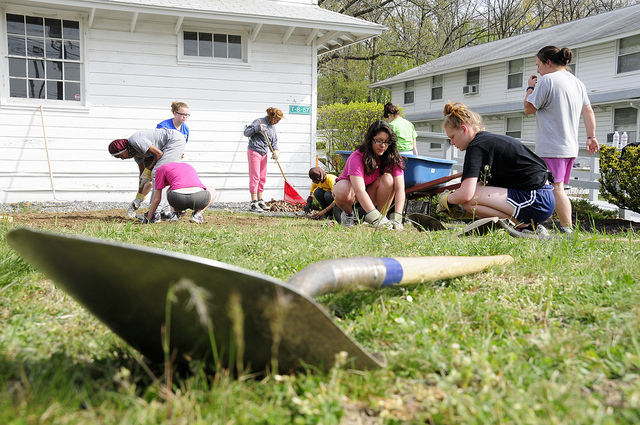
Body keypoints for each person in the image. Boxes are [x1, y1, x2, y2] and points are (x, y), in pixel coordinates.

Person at [439, 101, 556, 234]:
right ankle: (520, 225)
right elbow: (479, 186)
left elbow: (466, 194)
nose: (452, 142)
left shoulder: (476, 146)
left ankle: (526, 227)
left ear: (464, 129)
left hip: (535, 198)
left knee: (471, 200)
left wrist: (446, 199)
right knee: (476, 195)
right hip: (542, 197)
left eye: (452, 137)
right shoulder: (486, 141)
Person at [524, 45, 599, 234]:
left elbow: (528, 108)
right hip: (569, 147)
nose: (538, 70)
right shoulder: (577, 83)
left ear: (548, 63)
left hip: (552, 147)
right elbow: (588, 111)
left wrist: (530, 87)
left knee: (554, 189)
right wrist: (591, 137)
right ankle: (543, 226)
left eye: (538, 65)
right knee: (554, 188)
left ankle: (566, 229)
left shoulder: (547, 81)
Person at [332, 120, 406, 229]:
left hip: (370, 194)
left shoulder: (393, 158)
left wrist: (397, 219)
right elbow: (359, 190)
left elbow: (400, 189)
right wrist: (374, 216)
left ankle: (382, 218)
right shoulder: (357, 157)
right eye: (379, 141)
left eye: (386, 142)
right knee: (343, 189)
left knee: (388, 179)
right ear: (370, 140)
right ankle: (349, 215)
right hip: (352, 197)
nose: (383, 146)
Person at [108, 128, 186, 220]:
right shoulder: (137, 155)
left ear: (124, 149)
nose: (122, 159)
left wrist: (149, 170)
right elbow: (142, 176)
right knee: (161, 177)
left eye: (120, 156)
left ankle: (154, 213)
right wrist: (138, 197)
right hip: (170, 143)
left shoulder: (136, 141)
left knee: (157, 173)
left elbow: (158, 154)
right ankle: (164, 212)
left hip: (174, 140)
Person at [149, 101, 191, 219]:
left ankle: (166, 210)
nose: (184, 117)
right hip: (159, 158)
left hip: (174, 160)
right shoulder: (164, 126)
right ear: (174, 113)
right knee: (158, 185)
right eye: (182, 114)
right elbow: (156, 143)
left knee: (170, 184)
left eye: (187, 115)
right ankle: (154, 211)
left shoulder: (185, 129)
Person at [142, 162, 216, 224]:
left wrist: (148, 218)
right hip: (198, 199)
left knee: (170, 190)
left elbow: (156, 199)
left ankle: (174, 214)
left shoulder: (159, 170)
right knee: (212, 190)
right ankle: (198, 214)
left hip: (177, 199)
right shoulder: (187, 166)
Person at [243, 107, 283, 212]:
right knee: (255, 177)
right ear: (272, 117)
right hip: (254, 151)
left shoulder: (272, 128)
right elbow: (246, 133)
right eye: (277, 120)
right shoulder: (259, 121)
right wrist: (257, 128)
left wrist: (276, 151)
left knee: (262, 178)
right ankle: (253, 202)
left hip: (264, 153)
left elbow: (273, 142)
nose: (278, 122)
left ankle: (260, 200)